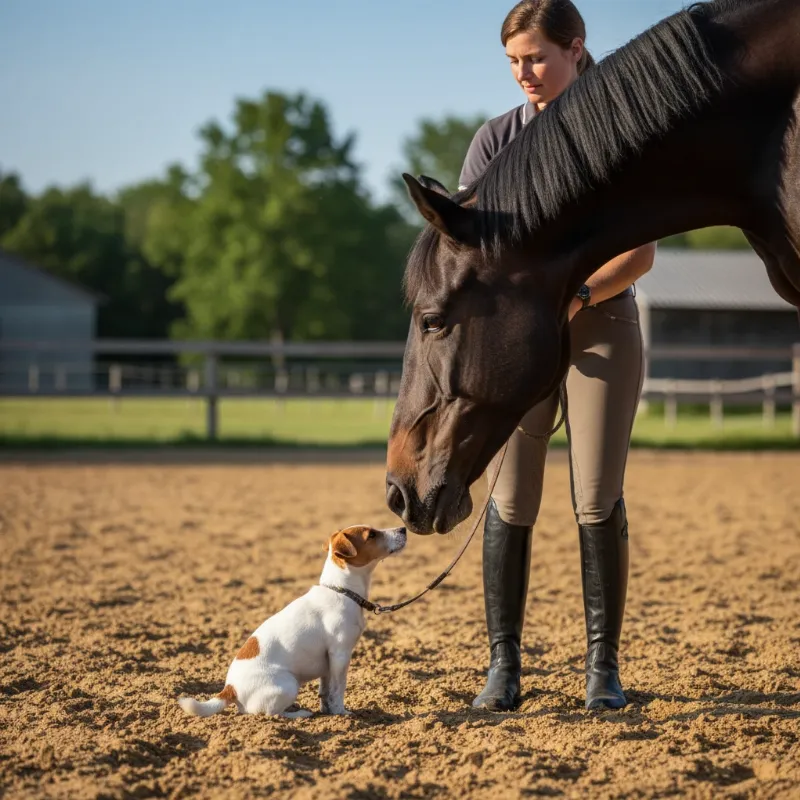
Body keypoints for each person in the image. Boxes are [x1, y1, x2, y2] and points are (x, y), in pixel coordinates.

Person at [457, 0, 656, 712]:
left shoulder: (625, 133)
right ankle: (502, 668)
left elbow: (641, 253)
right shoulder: (495, 140)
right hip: (521, 338)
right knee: (511, 498)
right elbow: (474, 250)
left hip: (601, 325)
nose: (524, 75)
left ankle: (602, 670)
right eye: (513, 62)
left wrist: (569, 299)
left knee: (596, 497)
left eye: (536, 58)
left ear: (576, 48)